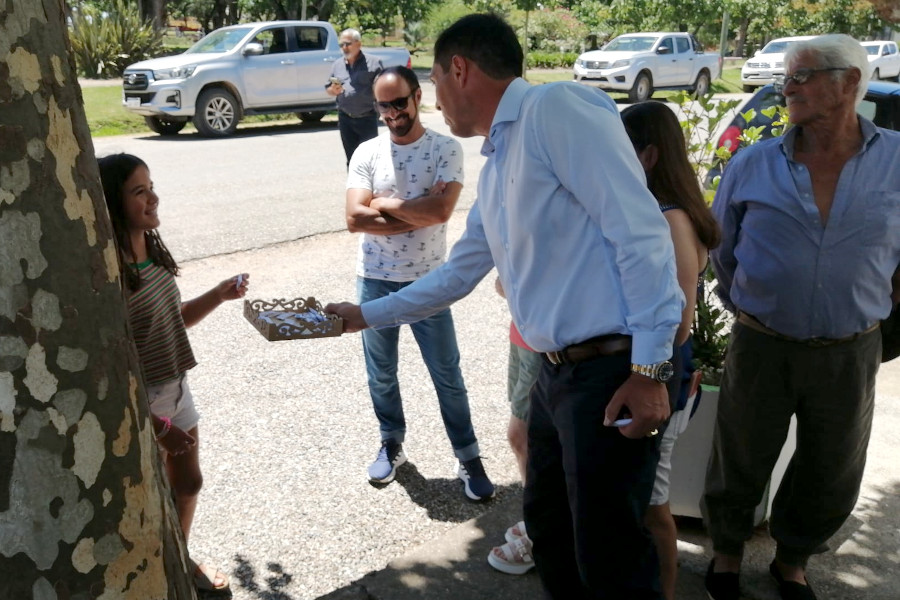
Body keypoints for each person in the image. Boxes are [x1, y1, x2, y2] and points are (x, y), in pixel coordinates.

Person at [327, 14, 684, 599]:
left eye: (437, 82)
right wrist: (362, 315)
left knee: (610, 553)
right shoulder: (499, 166)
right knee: (551, 530)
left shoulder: (555, 111)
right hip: (556, 374)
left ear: (460, 70)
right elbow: (459, 274)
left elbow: (641, 235)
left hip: (609, 372)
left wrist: (649, 370)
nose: (437, 101)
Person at [702, 34, 900, 600]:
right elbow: (724, 249)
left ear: (850, 83)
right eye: (786, 77)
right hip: (763, 340)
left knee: (832, 464)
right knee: (740, 452)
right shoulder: (752, 163)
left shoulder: (898, 160)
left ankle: (792, 562)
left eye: (802, 76)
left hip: (850, 346)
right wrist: (753, 305)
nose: (786, 88)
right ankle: (725, 553)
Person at [98, 153, 249, 594]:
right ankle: (152, 573)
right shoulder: (113, 271)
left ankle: (177, 559)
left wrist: (219, 294)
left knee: (190, 482)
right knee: (146, 497)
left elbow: (175, 316)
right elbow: (117, 360)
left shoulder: (154, 253)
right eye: (139, 191)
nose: (153, 198)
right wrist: (156, 424)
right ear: (113, 201)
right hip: (145, 399)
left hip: (178, 388)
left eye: (152, 186)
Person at [345, 66, 494, 501]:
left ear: (417, 97)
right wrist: (416, 210)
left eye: (399, 102)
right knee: (382, 375)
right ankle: (392, 444)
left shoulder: (444, 149)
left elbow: (441, 213)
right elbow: (355, 219)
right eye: (383, 105)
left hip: (429, 284)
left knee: (447, 375)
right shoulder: (367, 153)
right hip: (374, 280)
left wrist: (385, 204)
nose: (392, 113)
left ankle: (468, 456)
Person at [621, 101, 721, 600]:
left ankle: (664, 591)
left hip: (664, 377)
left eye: (624, 149)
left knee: (654, 503)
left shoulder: (671, 219)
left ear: (650, 154)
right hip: (660, 374)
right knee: (640, 496)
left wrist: (649, 381)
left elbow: (679, 324)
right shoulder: (655, 211)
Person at [486, 278, 542, 575]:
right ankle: (538, 521)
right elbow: (503, 282)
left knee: (522, 437)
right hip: (523, 336)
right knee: (525, 439)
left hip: (542, 344)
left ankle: (541, 536)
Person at [326, 28, 383, 166]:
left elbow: (382, 89)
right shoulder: (337, 65)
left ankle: (372, 187)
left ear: (358, 44)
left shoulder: (374, 63)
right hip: (345, 118)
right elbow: (328, 88)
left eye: (348, 44)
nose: (344, 48)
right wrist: (333, 90)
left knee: (370, 159)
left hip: (367, 118)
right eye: (342, 45)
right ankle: (354, 186)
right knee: (351, 160)